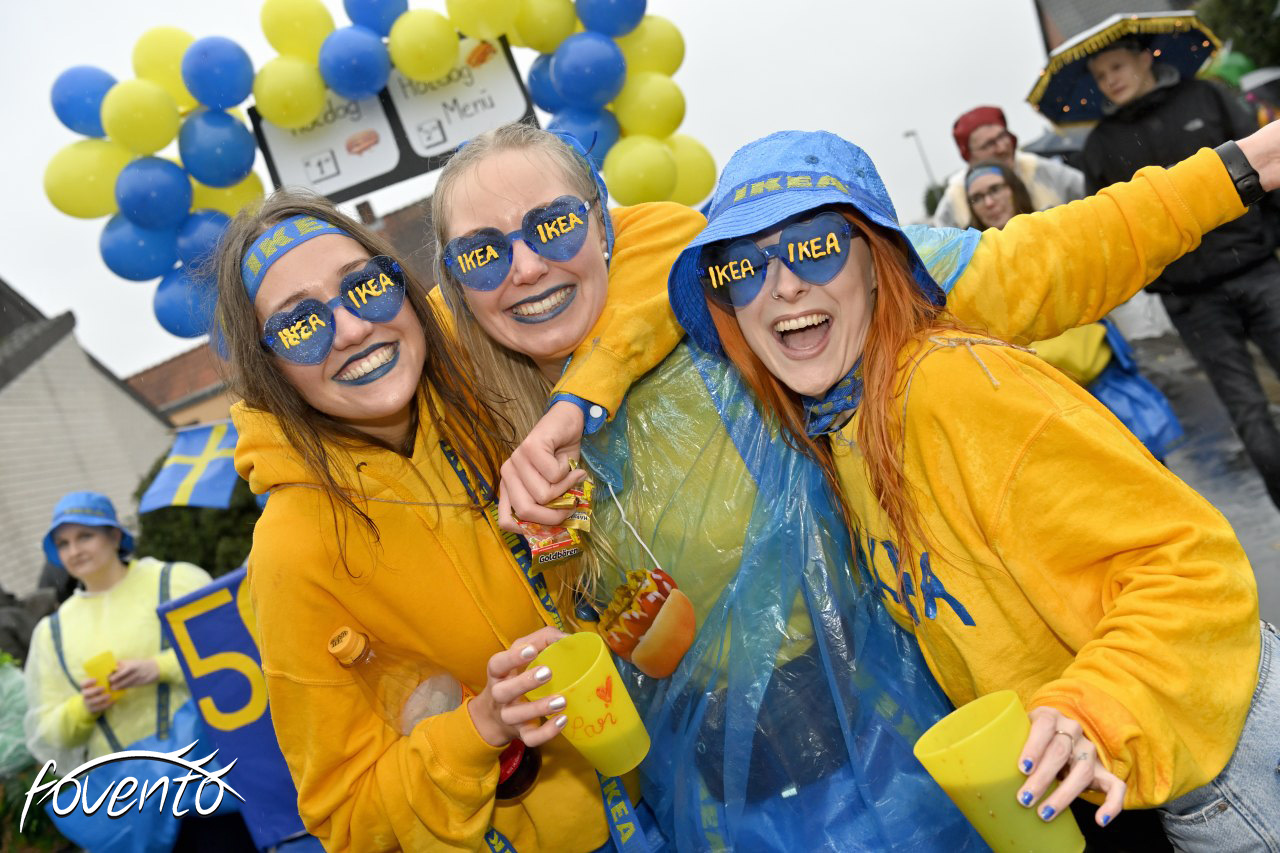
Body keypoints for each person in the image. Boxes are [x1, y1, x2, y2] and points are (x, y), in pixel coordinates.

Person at [436, 122, 1270, 849]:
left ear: (604, 223)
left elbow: (1040, 260)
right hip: (755, 794)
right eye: (481, 253)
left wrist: (1242, 165)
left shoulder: (784, 323)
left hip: (1011, 752)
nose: (525, 266)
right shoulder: (498, 413)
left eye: (554, 223)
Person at [214, 192, 680, 851]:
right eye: (299, 325)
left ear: (403, 288)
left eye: (365, 287)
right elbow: (348, 819)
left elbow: (668, 233)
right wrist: (481, 726)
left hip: (685, 770)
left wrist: (575, 403)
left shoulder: (475, 353)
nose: (350, 329)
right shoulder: (291, 552)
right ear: (271, 369)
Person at [1082, 36, 1280, 511]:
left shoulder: (1206, 96)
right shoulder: (1101, 144)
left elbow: (1265, 162)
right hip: (1191, 299)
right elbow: (1107, 227)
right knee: (1248, 411)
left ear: (1143, 58)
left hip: (1257, 268)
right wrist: (1157, 279)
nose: (1110, 81)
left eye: (1116, 67)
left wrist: (1272, 234)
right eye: (1100, 76)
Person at [22, 491, 229, 848]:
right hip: (132, 802)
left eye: (85, 536)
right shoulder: (51, 632)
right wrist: (83, 708)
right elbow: (47, 731)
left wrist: (160, 667)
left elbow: (231, 653)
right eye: (63, 543)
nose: (74, 550)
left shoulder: (175, 581)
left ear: (115, 536)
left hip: (207, 775)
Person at [965, 160, 1183, 461]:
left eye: (995, 190)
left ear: (1013, 189)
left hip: (1103, 382)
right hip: (1048, 406)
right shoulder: (972, 268)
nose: (989, 203)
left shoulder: (1054, 229)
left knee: (1149, 473)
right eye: (977, 198)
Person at [931, 105, 1084, 229]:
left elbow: (1089, 196)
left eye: (1002, 136)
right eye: (989, 144)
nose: (1002, 148)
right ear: (969, 156)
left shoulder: (1042, 170)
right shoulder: (955, 199)